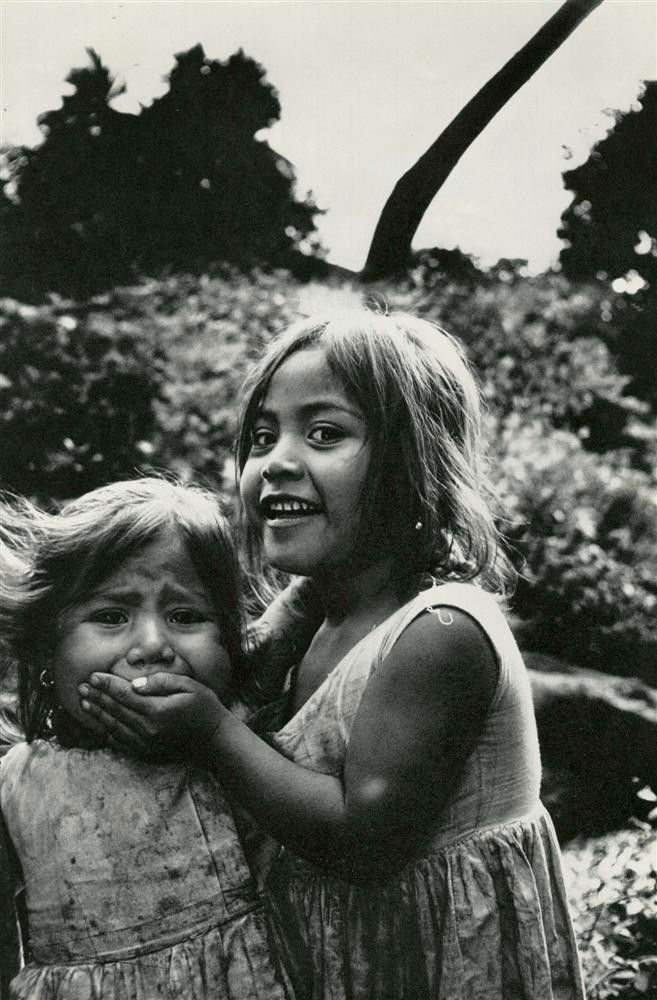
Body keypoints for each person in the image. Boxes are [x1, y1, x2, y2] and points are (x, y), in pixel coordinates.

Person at [81, 311, 586, 1000]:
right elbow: (242, 680)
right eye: (263, 437)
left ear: (415, 464)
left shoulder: (440, 633)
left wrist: (211, 734)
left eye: (324, 433)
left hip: (436, 965)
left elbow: (363, 842)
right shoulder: (321, 607)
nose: (277, 462)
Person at [0, 477, 299, 1000]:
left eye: (185, 616)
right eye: (111, 617)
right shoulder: (16, 785)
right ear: (48, 648)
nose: (153, 645)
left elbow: (299, 608)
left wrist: (217, 734)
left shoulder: (236, 737)